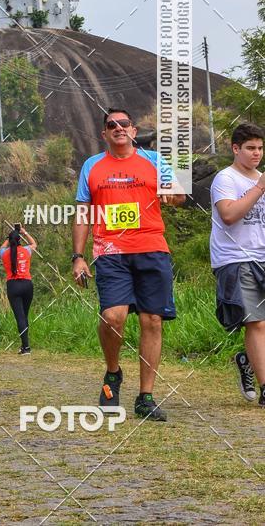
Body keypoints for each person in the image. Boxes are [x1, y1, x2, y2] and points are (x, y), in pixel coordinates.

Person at [73, 108, 185, 422]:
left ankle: (145, 397)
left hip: (152, 249)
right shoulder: (92, 166)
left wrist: (172, 195)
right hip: (110, 252)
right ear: (104, 134)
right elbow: (83, 213)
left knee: (152, 321)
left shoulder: (153, 160)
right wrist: (78, 256)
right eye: (112, 125)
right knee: (113, 317)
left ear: (133, 131)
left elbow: (178, 196)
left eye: (124, 124)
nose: (119, 128)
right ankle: (112, 374)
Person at [210, 123, 265, 405]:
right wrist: (259, 187)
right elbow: (229, 214)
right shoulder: (226, 179)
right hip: (236, 258)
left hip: (262, 255)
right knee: (256, 323)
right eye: (250, 148)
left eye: (260, 148)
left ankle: (247, 360)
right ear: (236, 149)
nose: (257, 154)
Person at [0, 226, 36, 354]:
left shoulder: (4, 253)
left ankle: (25, 347)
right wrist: (23, 232)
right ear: (19, 240)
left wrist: (8, 237)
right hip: (27, 284)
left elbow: (2, 247)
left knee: (20, 317)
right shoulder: (26, 250)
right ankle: (25, 346)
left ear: (9, 241)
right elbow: (33, 243)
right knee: (24, 316)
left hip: (13, 285)